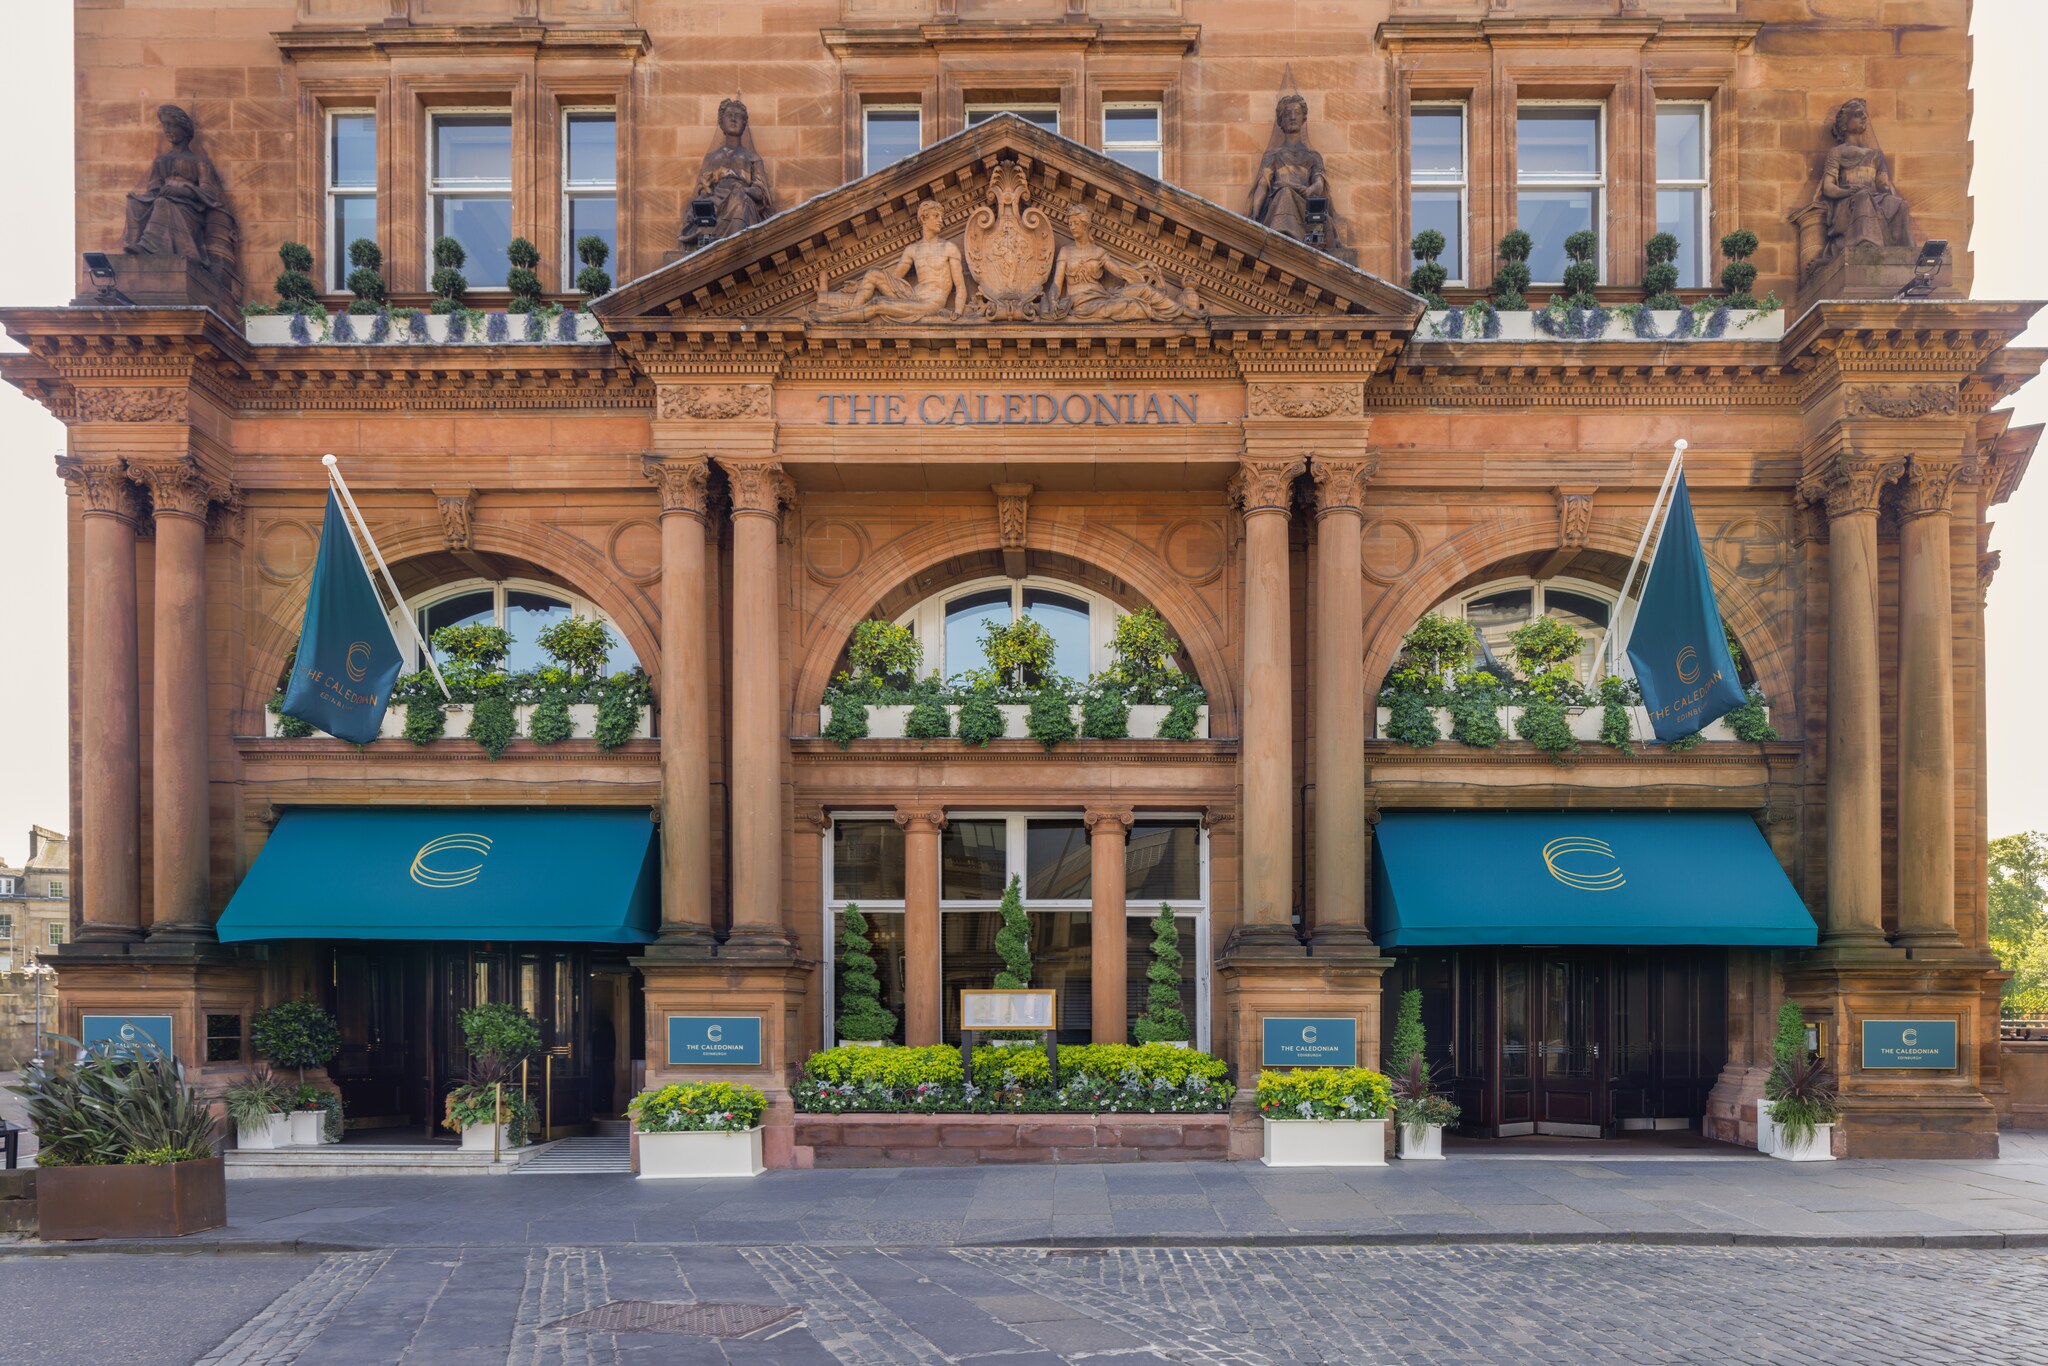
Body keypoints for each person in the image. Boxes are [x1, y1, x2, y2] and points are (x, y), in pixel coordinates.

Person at [123, 104, 240, 288]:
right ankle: (147, 247)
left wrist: (183, 191)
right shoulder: (161, 161)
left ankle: (148, 246)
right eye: (165, 125)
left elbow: (210, 193)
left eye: (172, 125)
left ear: (184, 130)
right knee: (139, 203)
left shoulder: (198, 161)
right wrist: (139, 199)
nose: (167, 130)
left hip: (190, 210)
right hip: (163, 203)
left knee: (163, 203)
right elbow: (153, 191)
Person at [815, 199, 967, 322]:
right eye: (936, 216)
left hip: (931, 302)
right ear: (924, 218)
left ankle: (833, 319)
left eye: (941, 216)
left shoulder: (949, 248)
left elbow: (960, 285)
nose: (941, 220)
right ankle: (851, 313)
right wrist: (859, 287)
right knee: (873, 273)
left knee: (878, 304)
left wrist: (958, 311)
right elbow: (894, 279)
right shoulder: (912, 249)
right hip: (912, 296)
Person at [1047, 206, 1204, 322]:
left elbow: (1119, 272)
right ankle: (1160, 315)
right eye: (1070, 223)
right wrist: (1053, 300)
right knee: (1131, 306)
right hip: (1081, 303)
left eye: (1075, 223)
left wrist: (1143, 264)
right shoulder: (1066, 252)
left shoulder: (1098, 252)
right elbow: (1056, 284)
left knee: (1143, 289)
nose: (1072, 227)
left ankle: (1183, 311)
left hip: (1102, 295)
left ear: (1085, 225)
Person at [1814, 98, 1913, 260]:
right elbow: (1828, 187)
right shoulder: (1837, 152)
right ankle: (1866, 245)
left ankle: (1907, 252)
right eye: (1857, 115)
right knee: (1863, 197)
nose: (1864, 118)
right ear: (1845, 124)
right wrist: (1847, 191)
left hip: (1874, 198)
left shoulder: (1875, 154)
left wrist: (1888, 194)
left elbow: (1883, 184)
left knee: (1900, 204)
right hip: (1848, 203)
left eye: (1864, 115)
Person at [1247, 94, 1327, 242]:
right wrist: (1255, 216)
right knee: (1285, 192)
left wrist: (1309, 190)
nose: (1292, 117)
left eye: (1297, 113)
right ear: (1281, 121)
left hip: (1303, 204)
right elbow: (1263, 185)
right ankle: (1282, 239)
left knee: (1287, 192)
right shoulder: (1273, 156)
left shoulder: (1313, 156)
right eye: (1287, 114)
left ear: (1303, 118)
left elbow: (1319, 184)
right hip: (1278, 203)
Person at [693, 98, 774, 242]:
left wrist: (743, 190)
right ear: (721, 122)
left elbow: (760, 192)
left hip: (741, 202)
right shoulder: (712, 158)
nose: (733, 119)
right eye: (729, 115)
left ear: (744, 123)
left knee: (739, 199)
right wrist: (708, 188)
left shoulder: (752, 158)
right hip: (716, 204)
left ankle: (735, 245)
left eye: (738, 116)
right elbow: (702, 189)